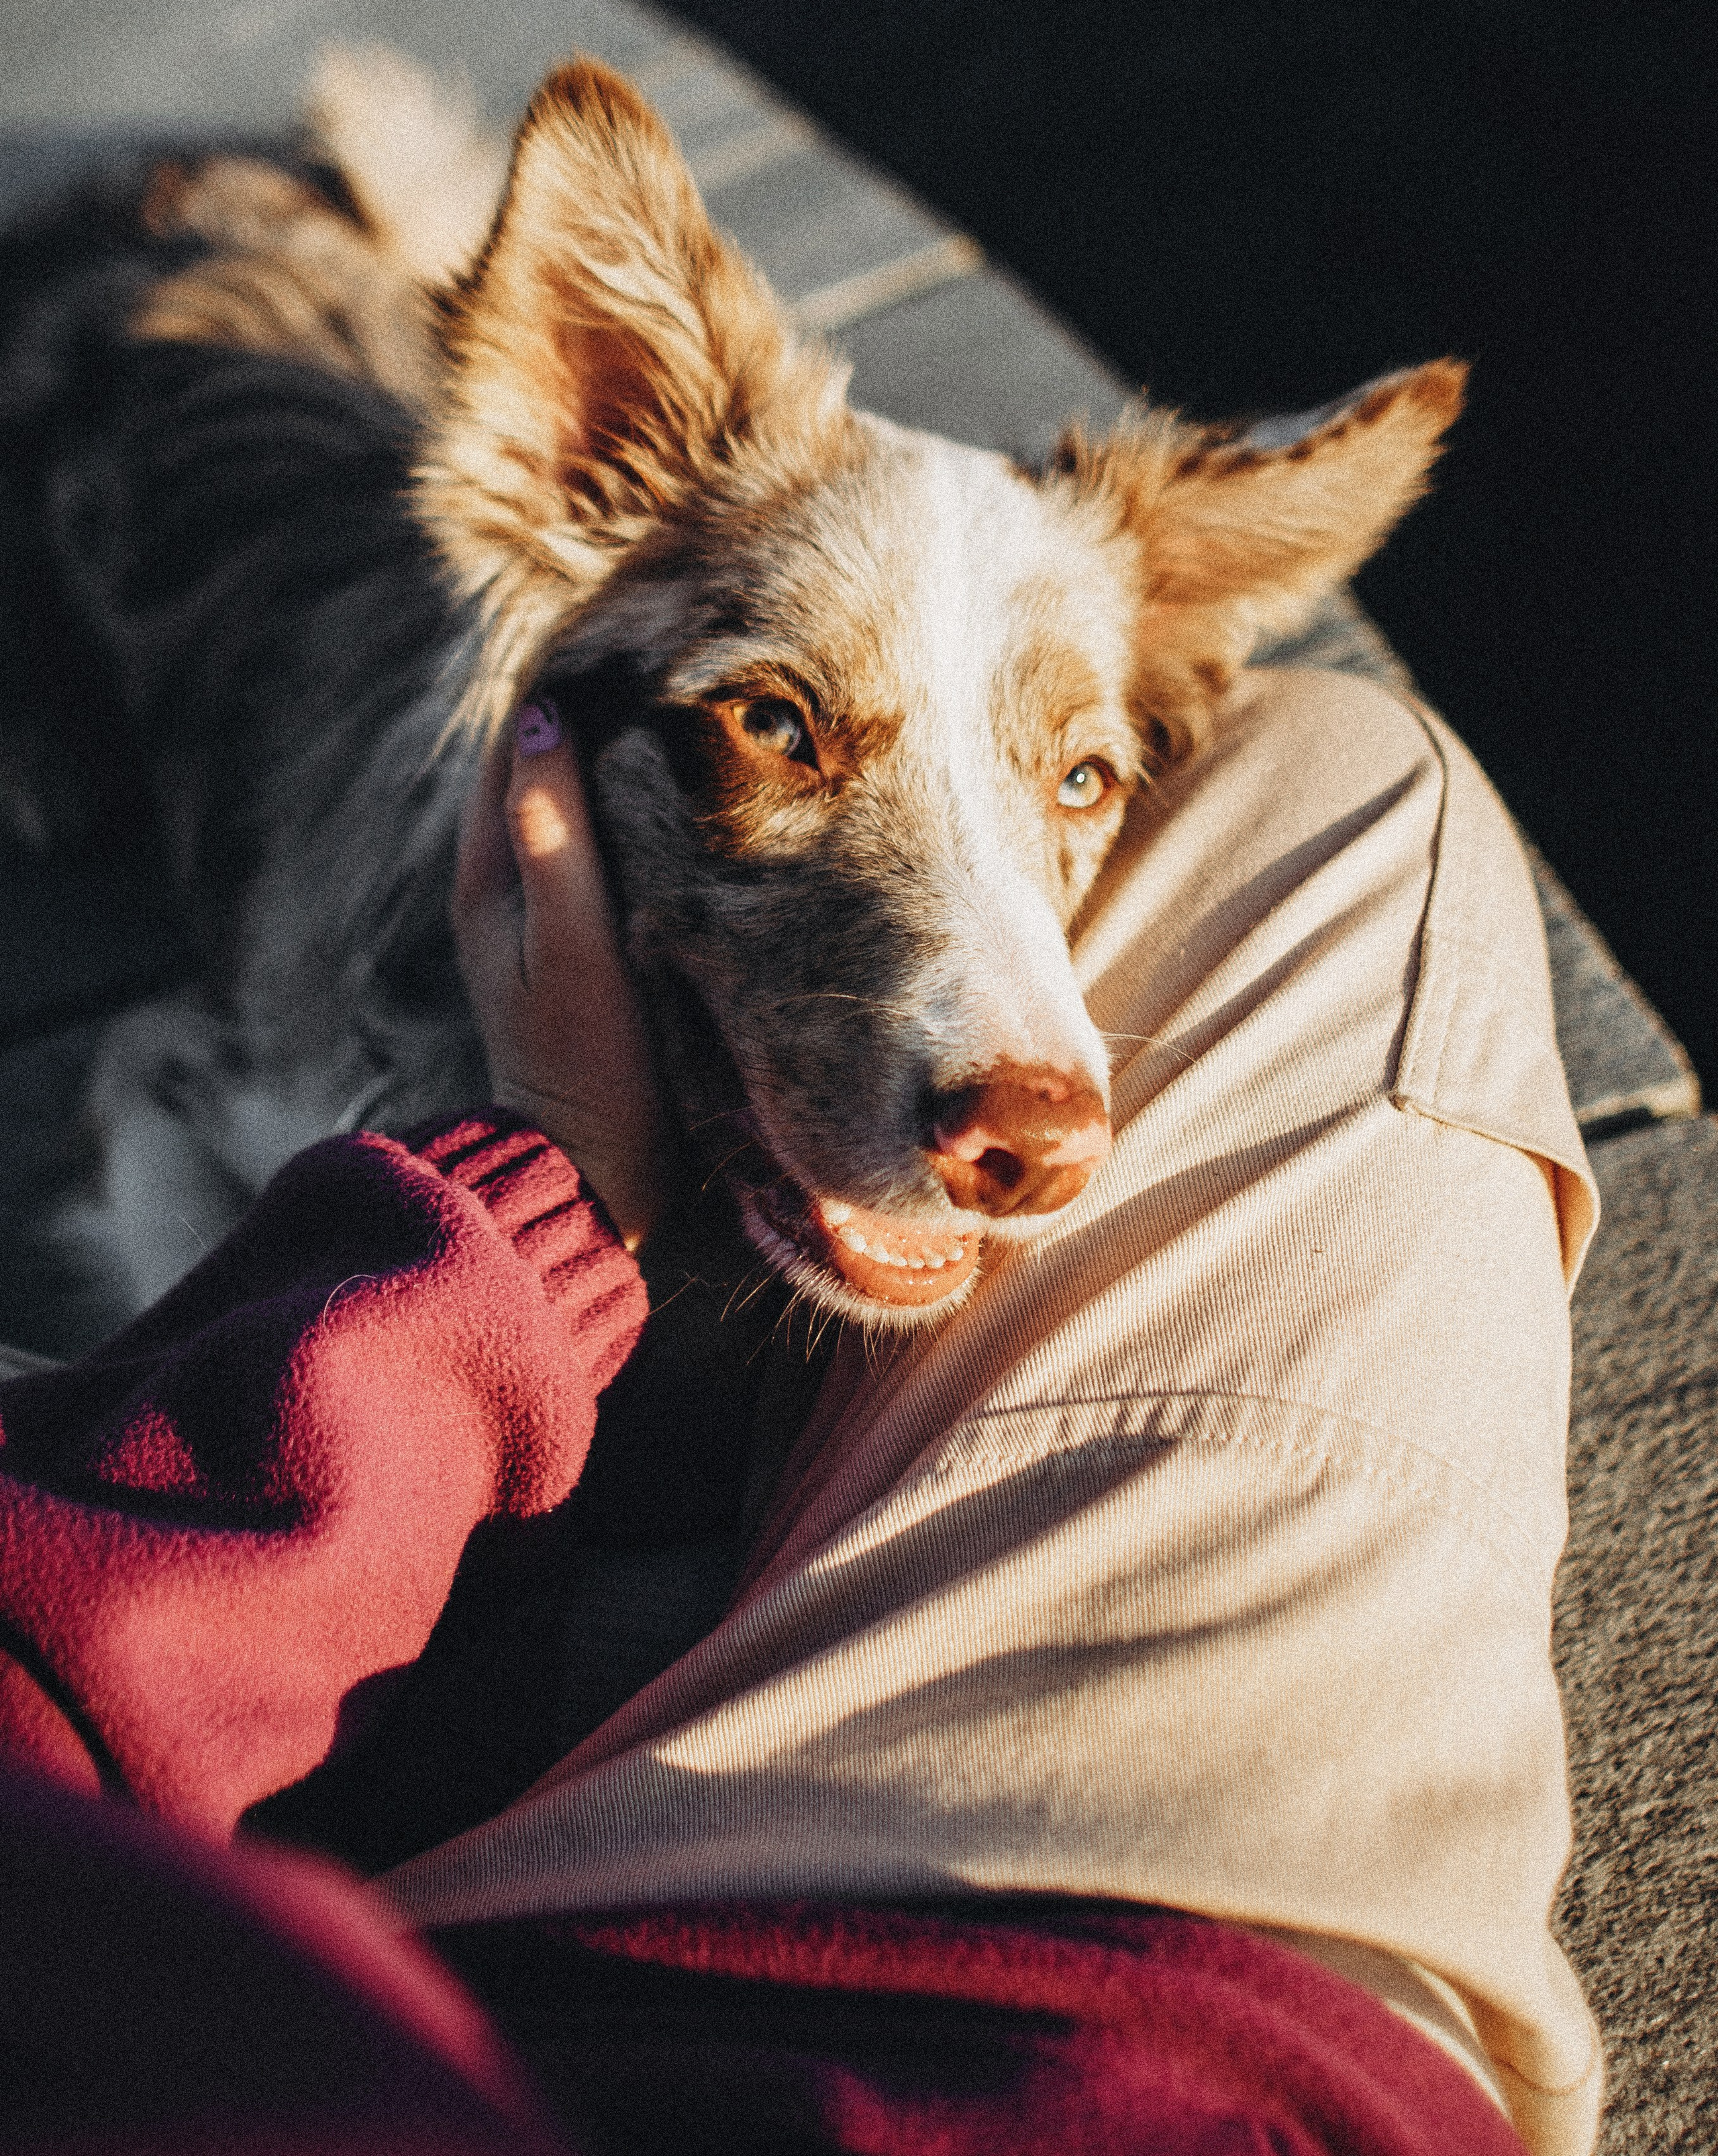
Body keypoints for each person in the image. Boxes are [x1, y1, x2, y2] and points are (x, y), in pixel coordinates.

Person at [0, 668, 1601, 2155]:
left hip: (408, 1972)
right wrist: (537, 1194)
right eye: (782, 727)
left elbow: (71, 1656)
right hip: (1138, 2029)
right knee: (1346, 774)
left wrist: (555, 1170)